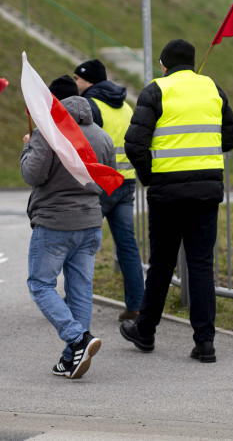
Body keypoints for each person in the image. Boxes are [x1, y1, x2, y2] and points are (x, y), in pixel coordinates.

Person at [119, 39, 233, 363]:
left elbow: (134, 145)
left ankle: (145, 333)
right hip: (206, 192)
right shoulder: (213, 89)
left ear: (164, 64)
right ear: (193, 62)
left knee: (161, 265)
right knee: (201, 265)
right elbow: (229, 137)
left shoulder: (156, 90)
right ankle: (205, 342)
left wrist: (151, 177)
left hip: (167, 193)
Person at [20, 77, 115, 379]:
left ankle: (77, 338)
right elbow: (107, 175)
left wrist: (26, 150)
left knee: (40, 284)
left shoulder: (49, 131)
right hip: (90, 222)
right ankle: (71, 357)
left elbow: (33, 175)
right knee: (80, 290)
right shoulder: (101, 135)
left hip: (54, 222)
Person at [73, 59, 145, 322]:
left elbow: (86, 144)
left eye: (77, 80)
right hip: (125, 183)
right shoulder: (125, 105)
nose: (75, 84)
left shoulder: (91, 106)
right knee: (127, 246)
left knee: (81, 244)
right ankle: (136, 305)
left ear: (89, 81)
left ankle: (75, 304)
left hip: (102, 185)